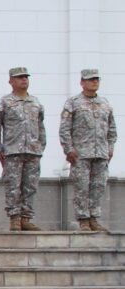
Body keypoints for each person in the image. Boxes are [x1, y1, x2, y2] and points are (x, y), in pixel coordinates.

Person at [0, 67, 46, 232]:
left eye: (25, 77)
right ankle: (14, 218)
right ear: (11, 81)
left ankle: (26, 218)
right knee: (13, 186)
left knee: (30, 186)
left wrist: (40, 145)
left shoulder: (35, 102)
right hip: (12, 151)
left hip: (33, 151)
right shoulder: (4, 103)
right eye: (19, 78)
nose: (24, 80)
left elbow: (40, 127)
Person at [60, 68, 116, 232]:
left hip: (101, 153)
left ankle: (94, 218)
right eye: (91, 80)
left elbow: (112, 129)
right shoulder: (73, 103)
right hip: (81, 154)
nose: (94, 82)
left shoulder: (104, 103)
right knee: (82, 187)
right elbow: (64, 128)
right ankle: (83, 220)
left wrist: (110, 148)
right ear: (82, 82)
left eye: (96, 79)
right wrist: (69, 149)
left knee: (98, 187)